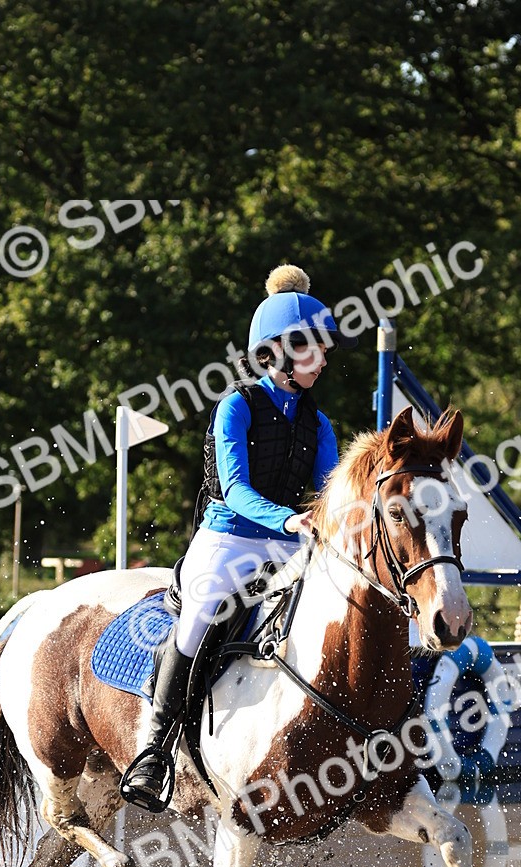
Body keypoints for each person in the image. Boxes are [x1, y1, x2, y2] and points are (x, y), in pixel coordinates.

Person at [120, 264, 358, 809]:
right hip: (229, 539)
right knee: (201, 618)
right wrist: (289, 521)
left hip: (289, 545)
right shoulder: (236, 407)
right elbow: (236, 491)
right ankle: (155, 749)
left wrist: (323, 522)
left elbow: (324, 493)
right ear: (274, 352)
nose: (319, 360)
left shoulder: (319, 424)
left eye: (322, 349)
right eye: (308, 349)